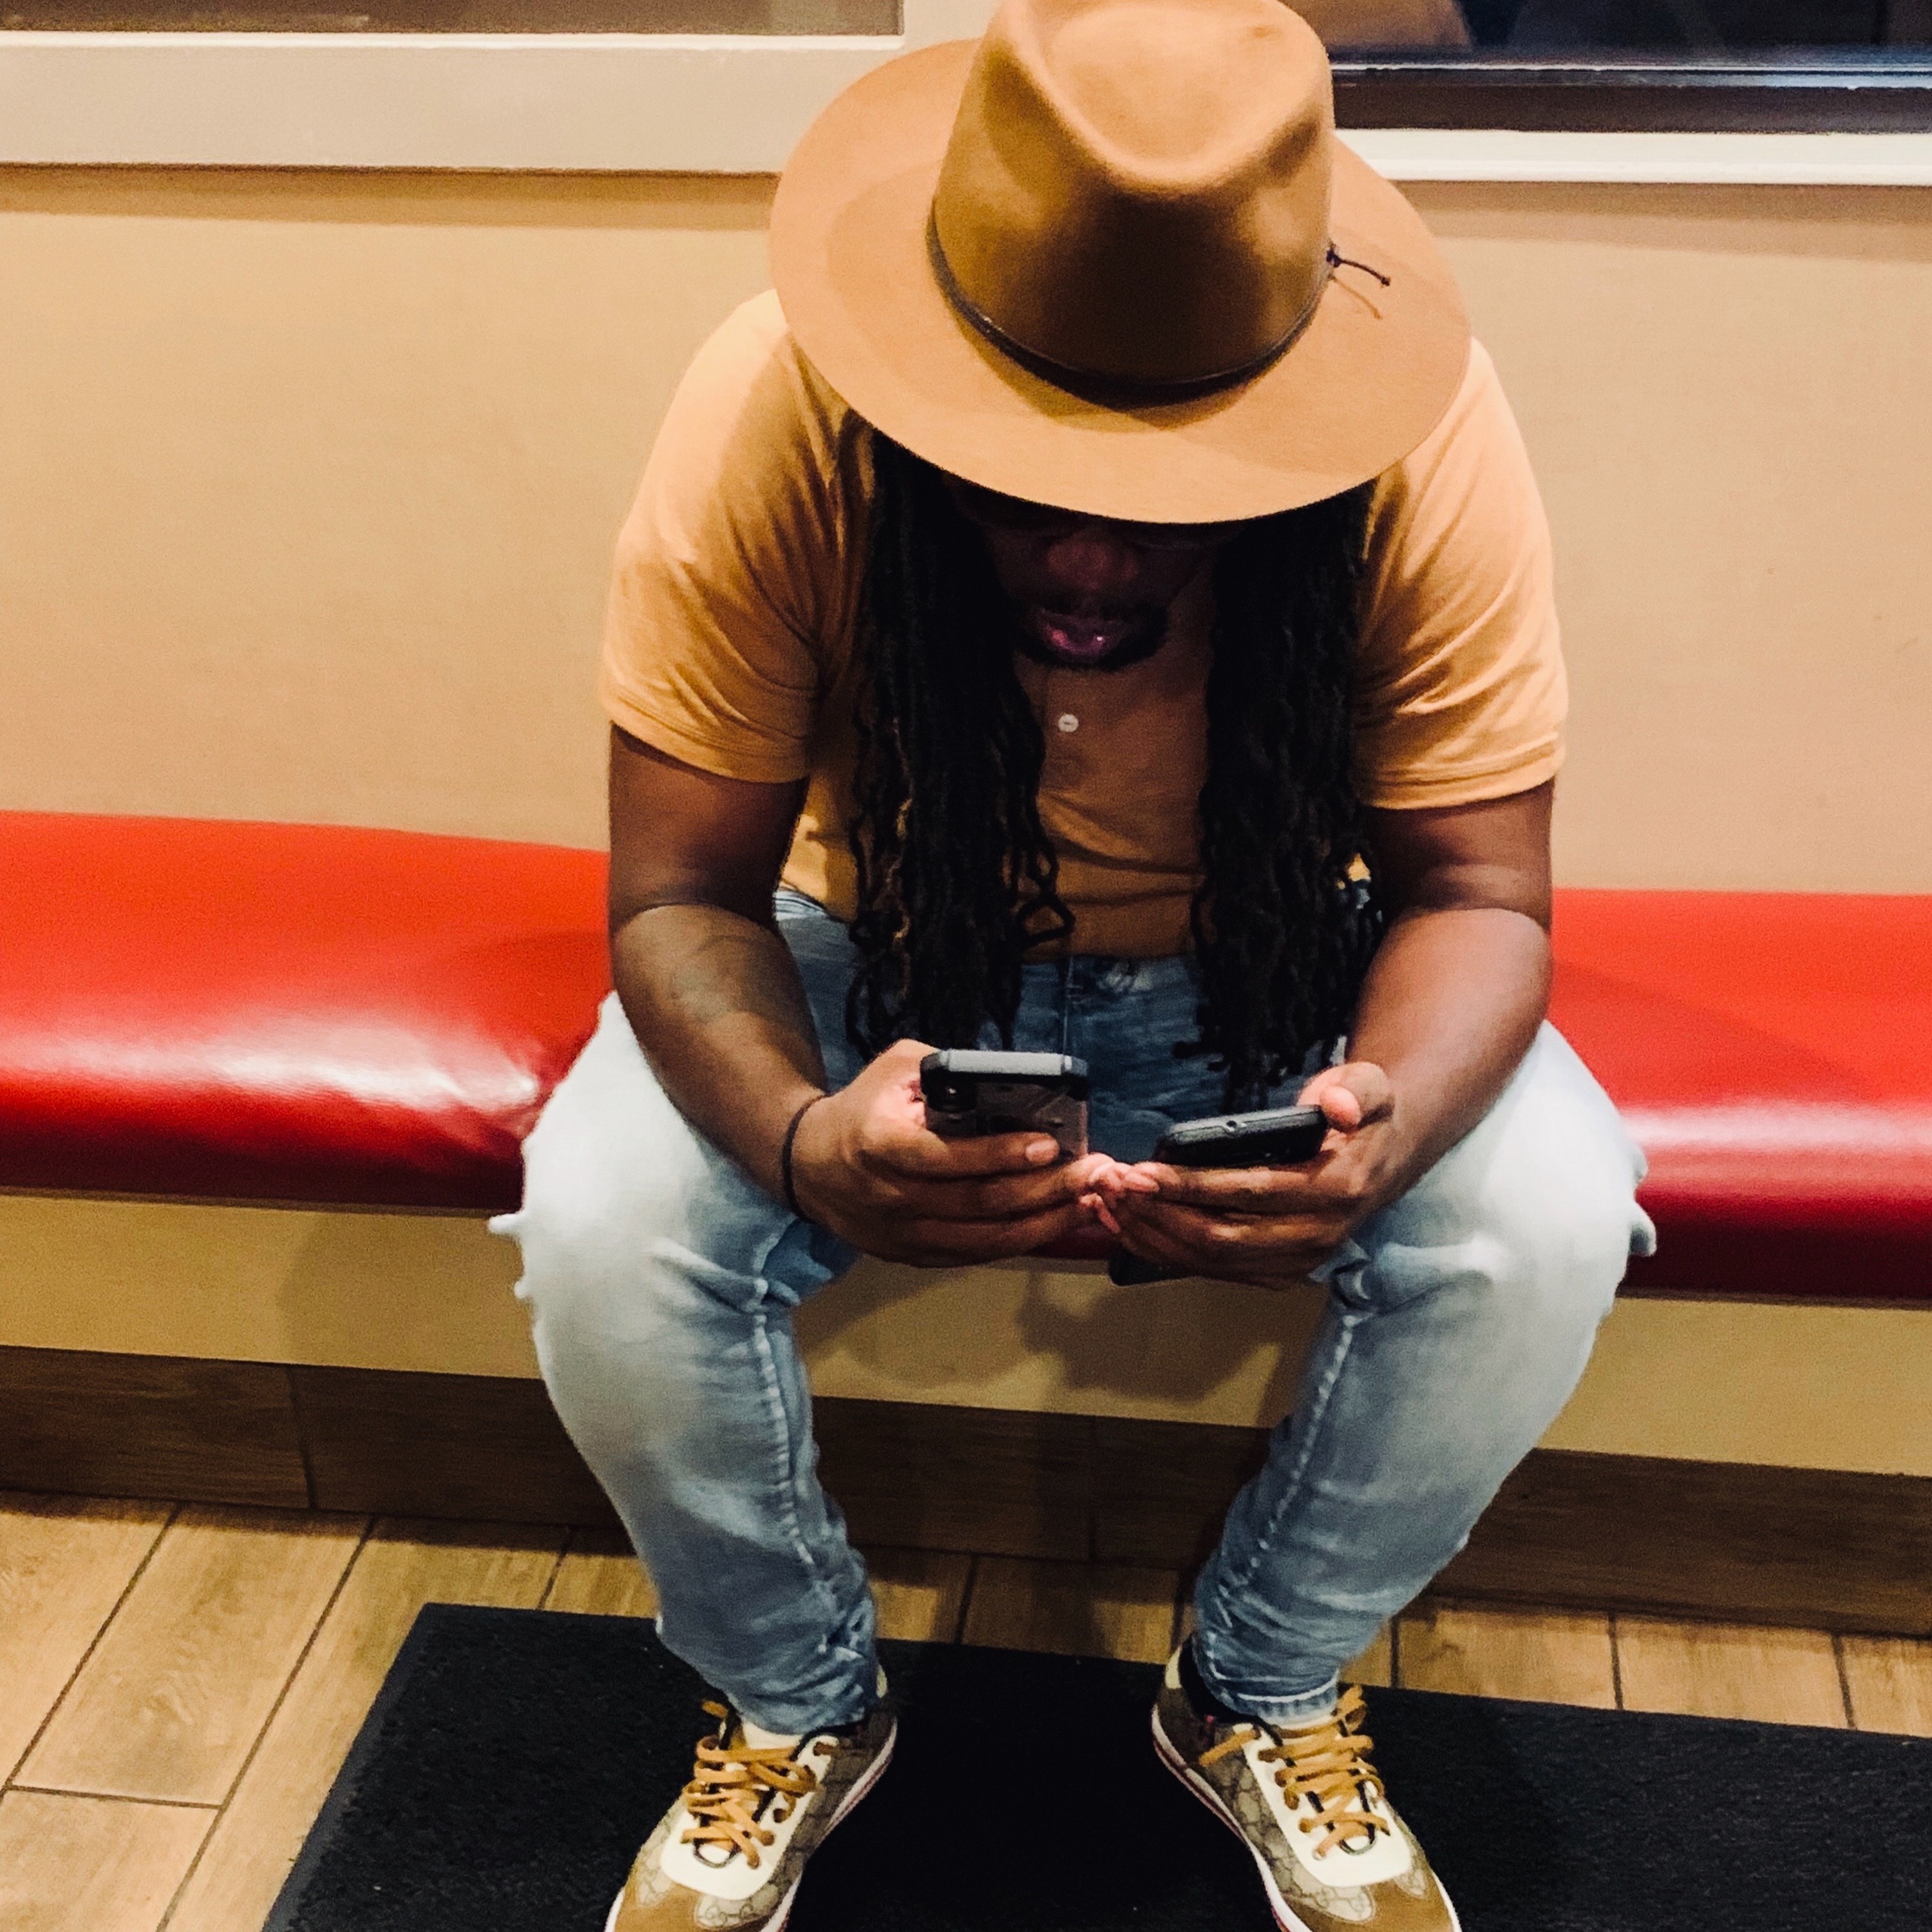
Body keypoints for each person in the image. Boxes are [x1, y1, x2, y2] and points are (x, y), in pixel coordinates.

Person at [492, 1, 1654, 1926]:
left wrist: (1379, 1130)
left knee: (1540, 1217)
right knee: (605, 1222)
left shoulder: (1417, 436)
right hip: (877, 944)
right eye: (1026, 477)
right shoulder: (783, 401)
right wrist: (800, 1141)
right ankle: (795, 1697)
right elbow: (681, 890)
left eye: (1179, 497)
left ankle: (1260, 1678)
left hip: (1270, 954)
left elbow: (1481, 894)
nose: (1098, 562)